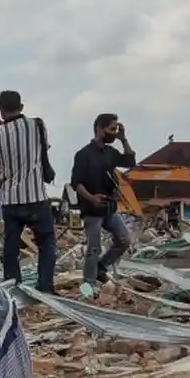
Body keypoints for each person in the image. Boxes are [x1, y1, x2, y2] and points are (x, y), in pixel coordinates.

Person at [0, 90, 57, 293]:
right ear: (21, 107)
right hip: (36, 196)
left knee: (11, 246)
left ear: (1, 110)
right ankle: (45, 285)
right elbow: (41, 152)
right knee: (46, 242)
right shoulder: (37, 125)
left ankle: (13, 286)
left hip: (11, 200)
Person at [70, 113, 137, 291]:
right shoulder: (83, 155)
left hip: (109, 207)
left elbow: (130, 161)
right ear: (99, 129)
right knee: (93, 248)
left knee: (124, 240)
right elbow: (76, 183)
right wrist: (92, 198)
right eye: (112, 129)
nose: (114, 133)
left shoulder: (111, 153)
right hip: (91, 209)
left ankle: (101, 267)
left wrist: (123, 139)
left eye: (116, 129)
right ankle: (88, 286)